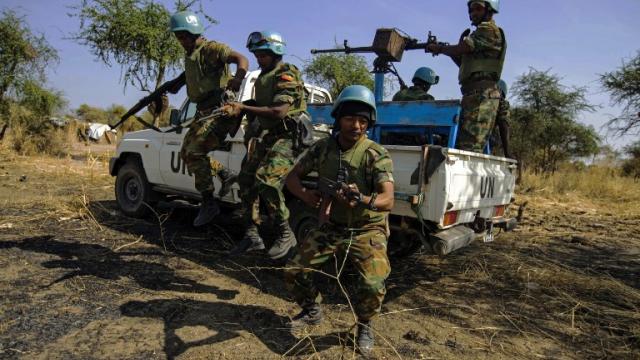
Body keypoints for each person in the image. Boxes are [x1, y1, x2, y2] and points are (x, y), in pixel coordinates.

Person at [284, 85, 394, 356]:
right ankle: (312, 310)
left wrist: (363, 200)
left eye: (363, 121)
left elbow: (387, 199)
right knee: (294, 270)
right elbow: (291, 177)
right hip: (333, 227)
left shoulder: (375, 154)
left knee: (372, 284)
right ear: (338, 119)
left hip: (367, 228)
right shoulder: (322, 149)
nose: (356, 125)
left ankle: (365, 325)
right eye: (350, 119)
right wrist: (307, 197)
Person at [223, 31, 310, 259]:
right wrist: (239, 106)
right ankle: (252, 235)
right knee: (246, 180)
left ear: (275, 52)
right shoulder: (264, 77)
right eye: (256, 55)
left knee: (267, 180)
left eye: (262, 55)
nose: (259, 59)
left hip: (290, 136)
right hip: (269, 135)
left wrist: (243, 108)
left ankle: (285, 232)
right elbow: (263, 106)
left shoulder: (286, 72)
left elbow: (279, 111)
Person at [160, 10, 249, 227]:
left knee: (194, 152)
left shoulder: (211, 48)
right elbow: (192, 76)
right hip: (202, 111)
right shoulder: (191, 54)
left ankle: (209, 203)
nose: (180, 41)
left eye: (183, 36)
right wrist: (175, 86)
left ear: (193, 33)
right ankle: (225, 173)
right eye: (178, 37)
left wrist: (237, 78)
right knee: (186, 153)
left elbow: (241, 59)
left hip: (219, 109)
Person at [427, 0, 506, 153]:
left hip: (481, 96)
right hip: (474, 95)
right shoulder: (479, 34)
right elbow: (464, 64)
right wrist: (447, 50)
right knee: (465, 146)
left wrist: (440, 48)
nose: (473, 13)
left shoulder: (488, 29)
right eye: (471, 10)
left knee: (469, 149)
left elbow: (463, 48)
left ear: (489, 10)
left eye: (478, 8)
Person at [494, 79, 511, 158]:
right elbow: (504, 125)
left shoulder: (468, 98)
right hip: (478, 145)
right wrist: (507, 153)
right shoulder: (501, 103)